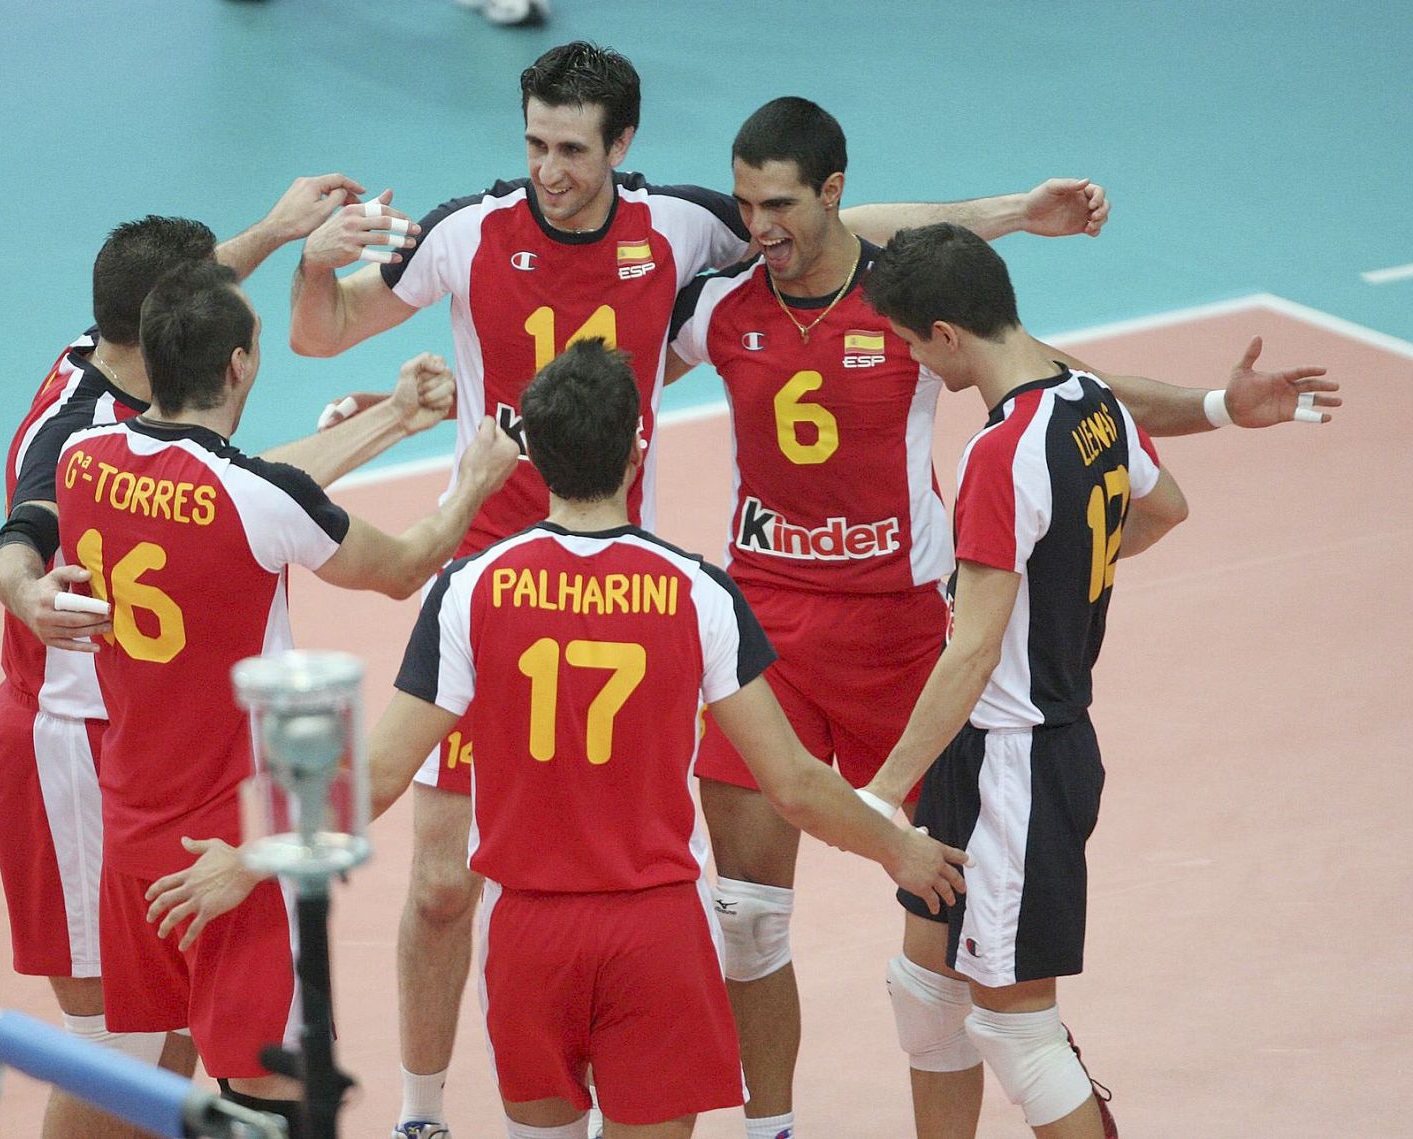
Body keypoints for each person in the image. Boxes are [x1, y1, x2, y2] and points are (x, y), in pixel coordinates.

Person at [289, 42, 1113, 1139]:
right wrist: (335, 301)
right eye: (533, 144)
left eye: (572, 149)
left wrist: (1014, 211)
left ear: (620, 145)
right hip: (491, 575)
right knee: (454, 887)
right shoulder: (468, 233)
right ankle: (421, 1110)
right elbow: (321, 326)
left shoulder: (679, 233)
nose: (550, 169)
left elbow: (835, 220)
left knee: (688, 881)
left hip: (693, 580)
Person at [666, 97, 1339, 1139]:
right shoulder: (1046, 402)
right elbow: (1145, 490)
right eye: (746, 203)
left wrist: (1207, 406)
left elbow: (978, 638)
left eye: (782, 203)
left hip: (959, 690)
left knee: (1012, 1018)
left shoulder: (993, 433)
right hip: (805, 645)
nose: (758, 223)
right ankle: (774, 1125)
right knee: (904, 981)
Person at [146, 339, 970, 1139]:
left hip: (528, 939)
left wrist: (251, 856)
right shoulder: (698, 593)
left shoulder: (471, 591)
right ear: (637, 445)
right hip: (653, 933)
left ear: (532, 454)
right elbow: (792, 781)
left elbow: (383, 770)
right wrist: (897, 851)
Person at [0, 175, 413, 1138]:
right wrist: (23, 590)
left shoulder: (102, 358)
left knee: (165, 1039)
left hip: (126, 750)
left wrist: (272, 231)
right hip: (68, 752)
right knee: (117, 1053)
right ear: (166, 330)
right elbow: (20, 537)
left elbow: (244, 487)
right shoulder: (83, 441)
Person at [46, 261, 517, 1131]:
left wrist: (391, 417)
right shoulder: (258, 500)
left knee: (130, 1079)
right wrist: (475, 483)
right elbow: (407, 564)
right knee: (280, 1103)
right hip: (236, 853)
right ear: (239, 366)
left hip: (131, 837)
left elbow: (211, 478)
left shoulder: (81, 458)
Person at [857, 223, 1190, 1138]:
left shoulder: (1000, 456)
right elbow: (1165, 507)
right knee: (923, 987)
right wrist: (1067, 566)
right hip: (996, 752)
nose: (911, 359)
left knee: (1018, 1032)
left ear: (948, 336)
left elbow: (970, 651)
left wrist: (881, 791)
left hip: (1019, 759)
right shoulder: (1090, 399)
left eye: (912, 343)